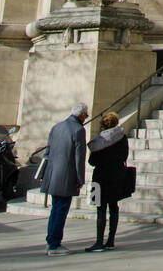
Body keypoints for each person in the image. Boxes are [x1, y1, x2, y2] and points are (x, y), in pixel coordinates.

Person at [42, 102, 88, 255]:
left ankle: (51, 241)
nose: (86, 117)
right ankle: (55, 244)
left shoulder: (57, 127)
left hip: (54, 174)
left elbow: (48, 151)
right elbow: (79, 157)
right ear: (81, 115)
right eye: (86, 115)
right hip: (67, 176)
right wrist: (80, 179)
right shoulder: (79, 130)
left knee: (55, 209)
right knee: (61, 210)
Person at [85, 111, 129, 252]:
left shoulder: (99, 140)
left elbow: (92, 161)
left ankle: (99, 241)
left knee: (101, 209)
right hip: (117, 175)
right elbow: (124, 155)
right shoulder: (122, 136)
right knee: (114, 207)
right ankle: (111, 240)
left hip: (100, 176)